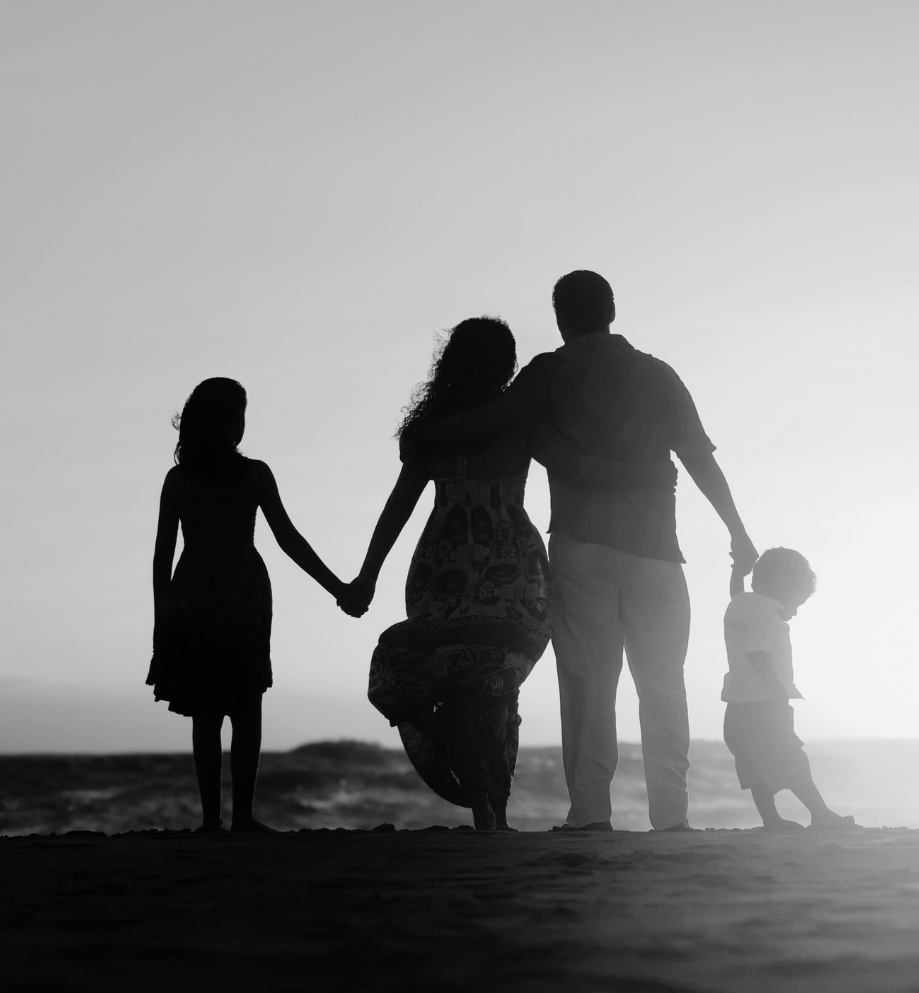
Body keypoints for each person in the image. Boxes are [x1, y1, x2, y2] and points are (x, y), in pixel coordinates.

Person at [417, 271, 757, 832]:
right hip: (657, 552)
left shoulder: (550, 371)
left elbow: (492, 420)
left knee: (588, 682)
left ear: (560, 317)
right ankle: (671, 817)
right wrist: (737, 534)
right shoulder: (657, 374)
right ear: (613, 310)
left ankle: (591, 815)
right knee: (663, 682)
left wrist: (426, 434)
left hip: (584, 549)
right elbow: (700, 458)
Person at [338, 316, 666, 832]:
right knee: (496, 684)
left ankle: (485, 805)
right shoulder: (518, 423)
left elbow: (396, 509)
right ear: (506, 364)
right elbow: (575, 466)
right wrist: (641, 472)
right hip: (509, 565)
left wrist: (368, 575)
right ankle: (493, 811)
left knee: (456, 676)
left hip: (441, 564)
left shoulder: (432, 432)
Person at [147, 377, 346, 833]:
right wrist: (338, 588)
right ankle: (242, 820)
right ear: (227, 420)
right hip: (242, 593)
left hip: (195, 593)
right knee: (245, 706)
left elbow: (161, 559)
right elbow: (289, 540)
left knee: (207, 711)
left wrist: (163, 621)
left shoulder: (180, 480)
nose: (241, 422)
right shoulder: (252, 473)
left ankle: (212, 822)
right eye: (238, 413)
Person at [722, 547, 856, 831]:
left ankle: (771, 820)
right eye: (795, 603)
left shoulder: (741, 605)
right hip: (764, 704)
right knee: (791, 758)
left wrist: (737, 573)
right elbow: (757, 653)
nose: (793, 613)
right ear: (783, 586)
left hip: (736, 708)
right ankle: (820, 814)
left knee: (752, 767)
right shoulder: (768, 617)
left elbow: (737, 593)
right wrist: (776, 688)